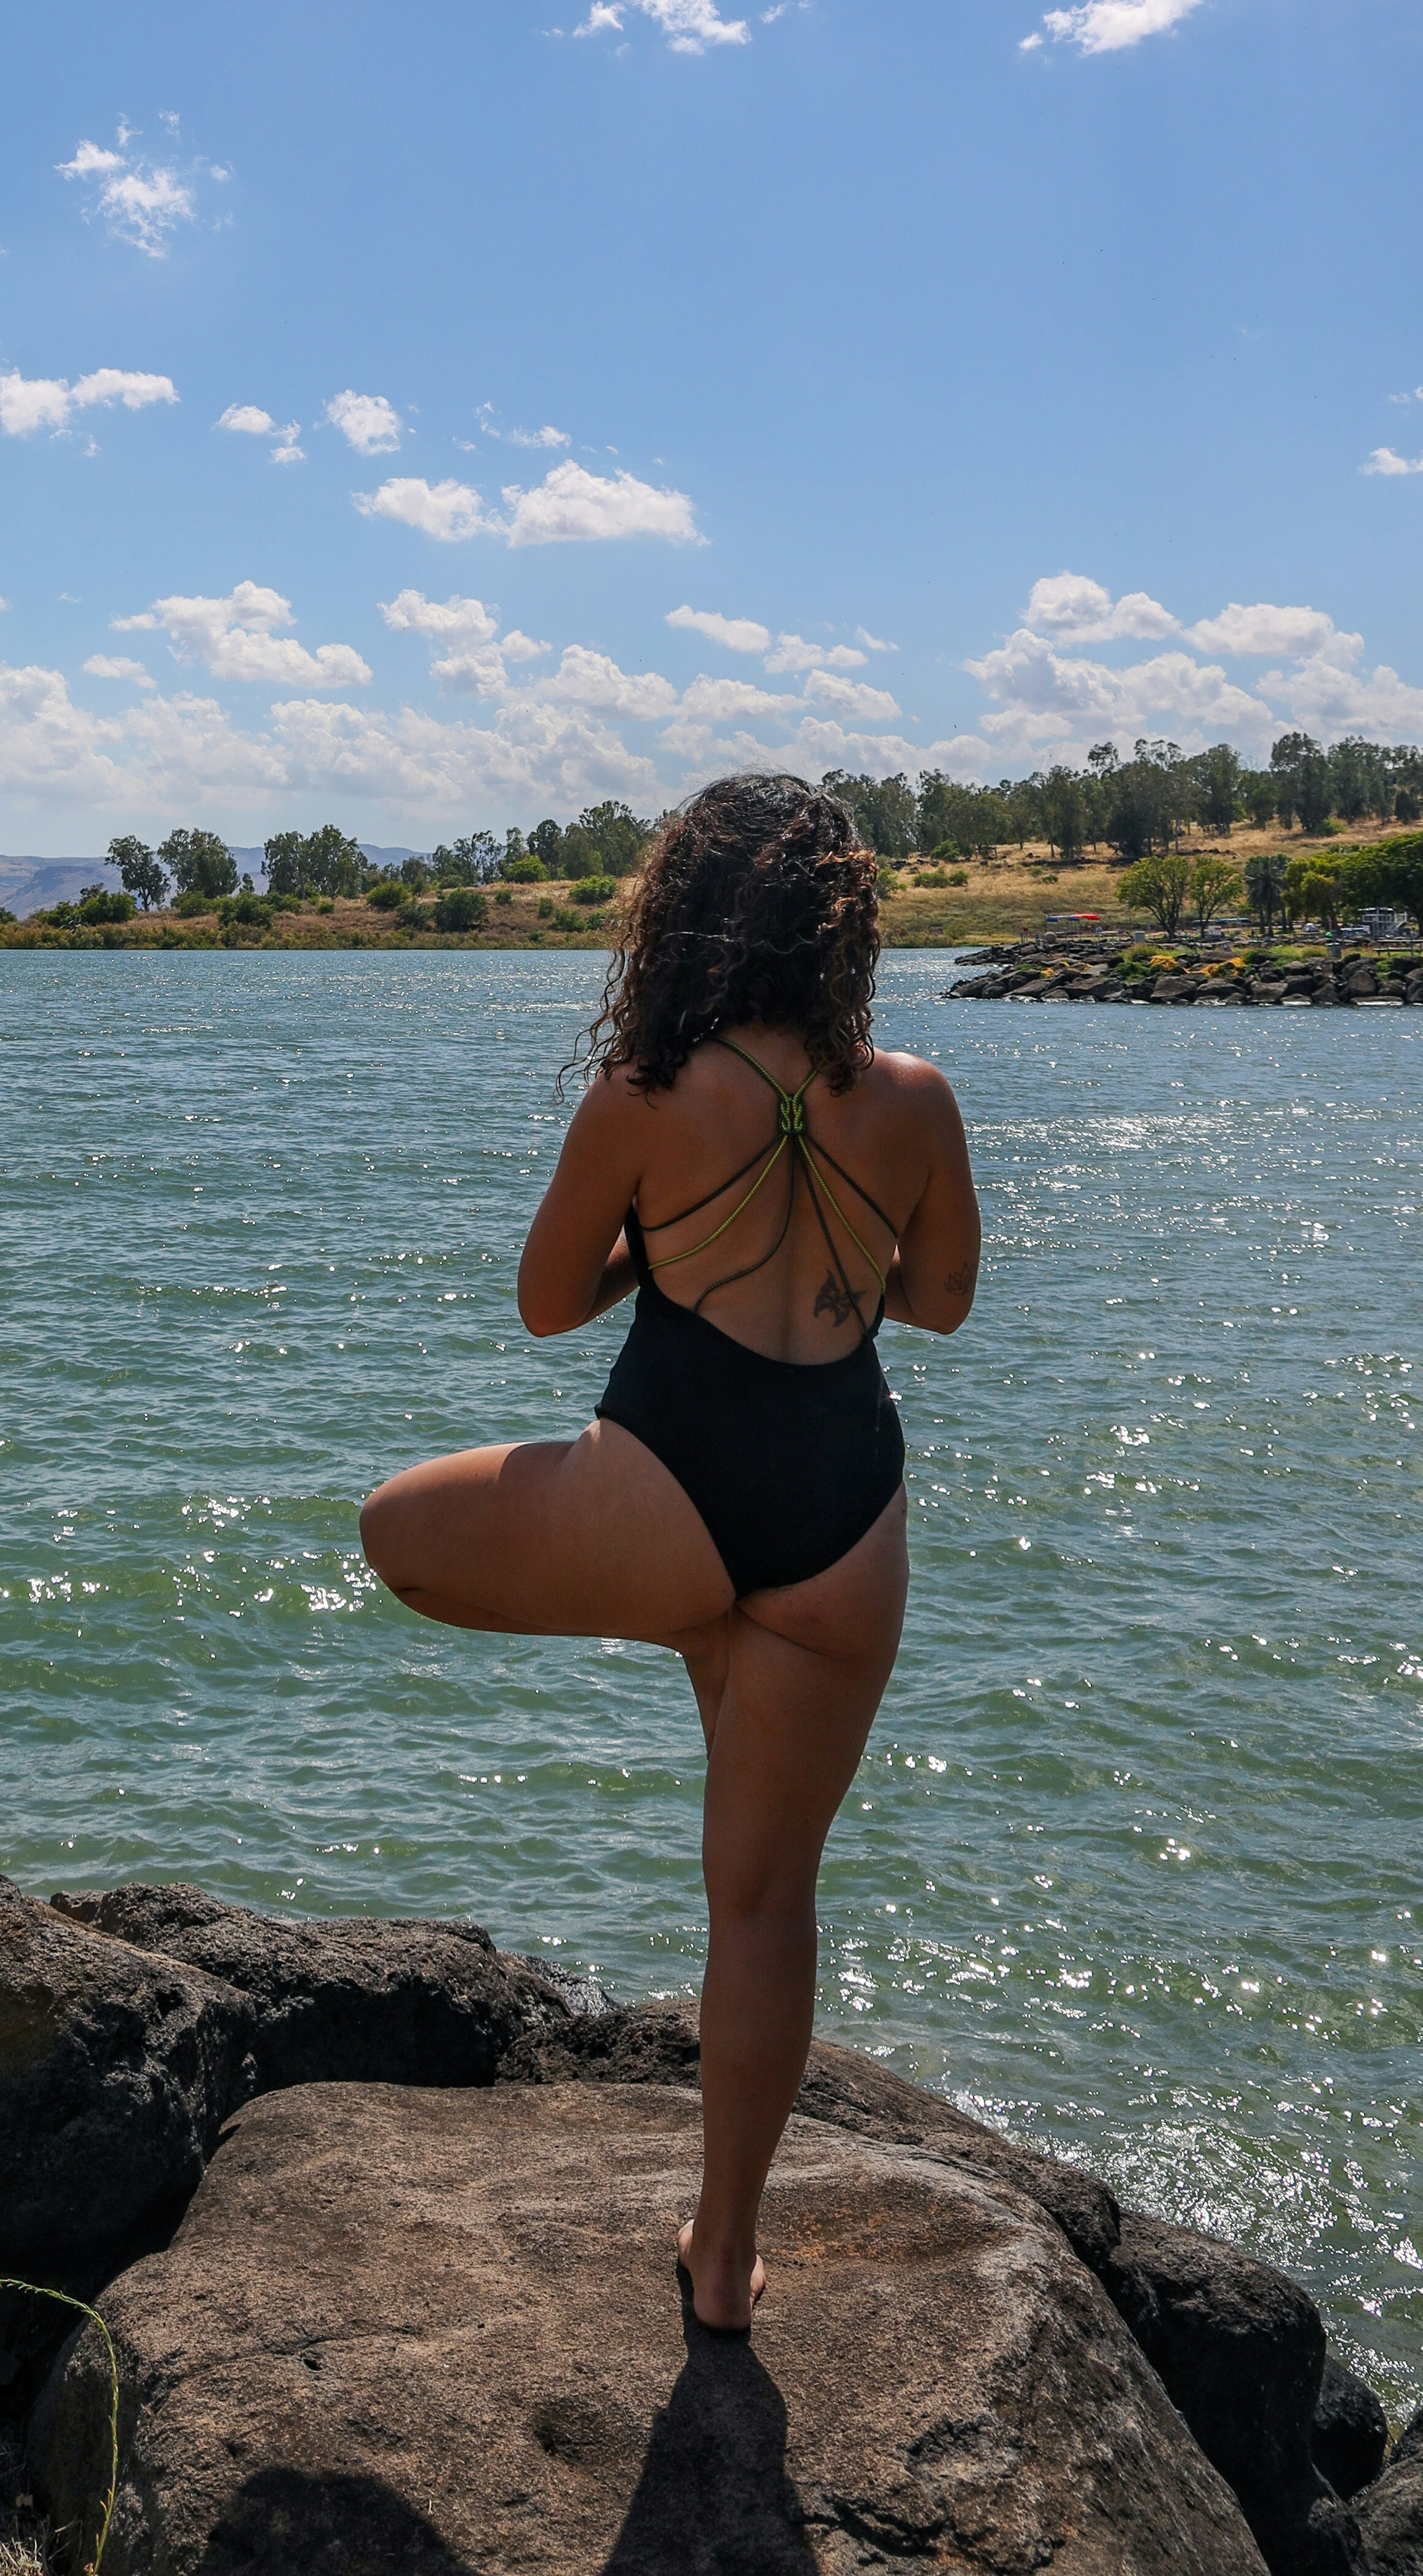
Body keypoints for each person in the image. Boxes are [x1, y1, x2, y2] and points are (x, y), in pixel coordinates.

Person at [358, 773, 980, 2334]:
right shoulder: (913, 1095)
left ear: (682, 913)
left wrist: (674, 1231)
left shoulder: (640, 1093)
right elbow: (943, 1300)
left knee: (395, 1533)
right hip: (845, 1521)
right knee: (763, 1905)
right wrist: (833, 1249)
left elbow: (549, 1303)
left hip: (661, 1499)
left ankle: (686, 1617)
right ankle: (724, 2257)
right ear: (844, 925)